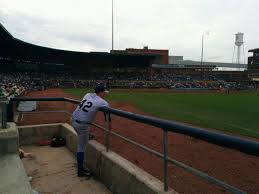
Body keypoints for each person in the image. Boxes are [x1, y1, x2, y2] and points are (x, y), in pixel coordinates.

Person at [72, 83, 110, 178]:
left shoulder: (87, 94)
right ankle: (80, 171)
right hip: (82, 125)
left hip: (72, 119)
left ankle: (86, 136)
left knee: (83, 135)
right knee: (81, 147)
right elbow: (107, 115)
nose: (105, 94)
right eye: (104, 92)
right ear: (100, 92)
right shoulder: (102, 102)